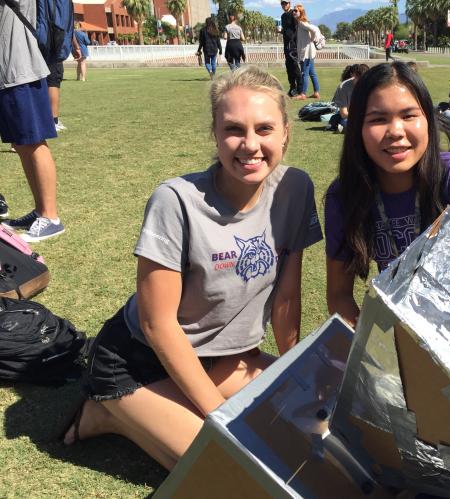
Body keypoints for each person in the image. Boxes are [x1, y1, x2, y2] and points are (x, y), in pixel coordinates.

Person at [61, 66, 323, 470]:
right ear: (215, 134)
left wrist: (296, 377)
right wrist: (218, 416)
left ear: (286, 132)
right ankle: (108, 410)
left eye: (265, 129)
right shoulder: (175, 200)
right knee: (237, 470)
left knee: (324, 412)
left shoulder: (295, 189)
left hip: (221, 359)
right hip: (138, 362)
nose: (249, 144)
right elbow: (157, 325)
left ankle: (142, 412)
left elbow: (287, 297)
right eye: (234, 129)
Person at [325, 62, 450, 325]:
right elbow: (339, 295)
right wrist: (370, 343)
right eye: (377, 119)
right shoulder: (344, 194)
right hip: (391, 332)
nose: (396, 132)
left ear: (428, 121)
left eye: (409, 116)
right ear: (357, 129)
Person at [0, 0, 65, 242]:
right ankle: (41, 211)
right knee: (21, 143)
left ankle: (51, 217)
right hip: (9, 71)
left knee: (33, 141)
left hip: (21, 68)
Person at [328, 63, 369, 133]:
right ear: (354, 76)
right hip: (350, 117)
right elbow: (344, 113)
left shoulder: (371, 85)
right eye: (359, 80)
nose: (362, 84)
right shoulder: (343, 87)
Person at [292, 4, 320, 101]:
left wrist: (312, 38)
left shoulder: (301, 23)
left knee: (305, 73)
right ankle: (316, 92)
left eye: (296, 10)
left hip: (307, 52)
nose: (294, 12)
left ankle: (303, 94)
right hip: (309, 51)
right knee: (312, 73)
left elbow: (313, 30)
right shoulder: (301, 23)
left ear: (301, 13)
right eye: (293, 10)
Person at [280, 0, 302, 97]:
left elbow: (297, 28)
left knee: (295, 67)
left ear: (289, 3)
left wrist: (295, 42)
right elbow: (286, 30)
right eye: (282, 3)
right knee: (288, 67)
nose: (284, 5)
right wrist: (280, 31)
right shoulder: (283, 16)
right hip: (286, 45)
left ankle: (300, 89)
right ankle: (292, 88)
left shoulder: (293, 13)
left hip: (293, 45)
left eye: (286, 3)